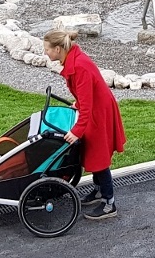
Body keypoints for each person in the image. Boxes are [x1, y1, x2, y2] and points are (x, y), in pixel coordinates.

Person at [42, 29, 125, 221]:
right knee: (93, 154)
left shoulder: (79, 67)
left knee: (99, 158)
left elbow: (87, 107)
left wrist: (76, 131)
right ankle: (98, 191)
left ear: (58, 49)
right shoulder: (74, 60)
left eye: (47, 49)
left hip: (99, 113)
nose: (45, 53)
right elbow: (87, 94)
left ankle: (109, 203)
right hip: (97, 108)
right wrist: (78, 103)